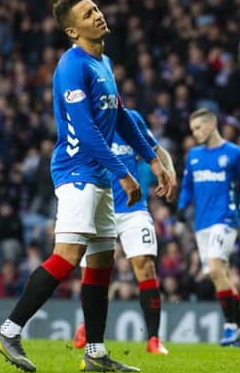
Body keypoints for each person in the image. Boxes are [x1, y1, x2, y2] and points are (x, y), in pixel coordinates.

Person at [0, 0, 173, 373]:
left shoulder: (103, 62)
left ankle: (96, 353)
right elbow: (86, 131)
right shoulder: (72, 66)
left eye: (96, 8)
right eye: (88, 14)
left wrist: (155, 161)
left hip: (99, 176)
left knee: (102, 261)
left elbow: (122, 119)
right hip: (76, 171)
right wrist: (124, 173)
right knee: (68, 256)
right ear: (73, 30)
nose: (97, 15)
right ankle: (8, 330)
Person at [72, 108, 177, 355]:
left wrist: (169, 169)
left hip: (133, 209)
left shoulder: (131, 118)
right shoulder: (86, 120)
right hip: (99, 207)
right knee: (92, 274)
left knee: (145, 264)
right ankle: (87, 328)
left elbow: (156, 149)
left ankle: (153, 339)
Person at [177, 108, 240, 346]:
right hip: (201, 223)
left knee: (214, 269)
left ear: (212, 124)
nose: (195, 133)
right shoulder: (193, 156)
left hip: (225, 218)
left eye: (199, 128)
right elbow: (187, 186)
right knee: (220, 275)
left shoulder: (234, 153)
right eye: (192, 130)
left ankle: (230, 326)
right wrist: (182, 207)